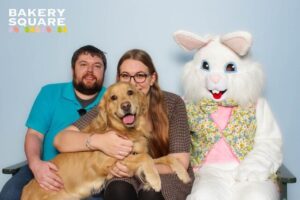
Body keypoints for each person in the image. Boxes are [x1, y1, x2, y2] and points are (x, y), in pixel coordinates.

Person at [54, 49, 195, 200]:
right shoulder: (112, 105)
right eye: (125, 76)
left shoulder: (173, 103)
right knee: (118, 189)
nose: (133, 82)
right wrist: (99, 141)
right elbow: (61, 140)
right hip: (125, 171)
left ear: (152, 78)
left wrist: (138, 168)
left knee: (150, 194)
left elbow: (181, 161)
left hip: (166, 172)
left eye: (140, 76)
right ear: (118, 79)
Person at [0, 45, 107, 200]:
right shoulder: (49, 93)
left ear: (103, 71)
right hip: (44, 165)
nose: (90, 70)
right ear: (73, 69)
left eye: (97, 66)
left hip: (85, 175)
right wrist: (36, 165)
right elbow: (34, 134)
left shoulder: (111, 98)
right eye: (83, 64)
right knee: (9, 195)